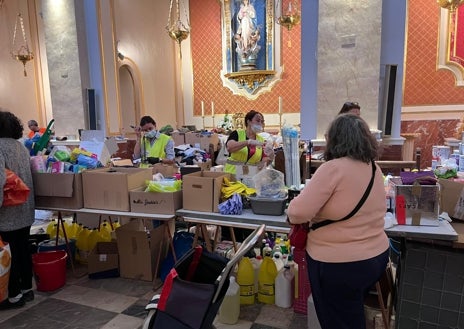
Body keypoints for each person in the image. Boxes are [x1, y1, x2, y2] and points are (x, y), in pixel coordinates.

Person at [287, 114, 389, 329]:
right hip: (375, 257)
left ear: (335, 139)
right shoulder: (373, 168)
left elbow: (297, 213)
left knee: (338, 321)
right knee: (350, 315)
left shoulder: (333, 168)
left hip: (339, 264)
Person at [0, 110, 35, 310]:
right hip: (25, 210)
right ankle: (26, 288)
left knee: (7, 254)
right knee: (23, 249)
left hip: (7, 213)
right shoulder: (21, 147)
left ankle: (13, 296)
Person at [224, 110, 273, 177]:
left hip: (251, 177)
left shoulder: (261, 140)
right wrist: (248, 142)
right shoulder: (237, 134)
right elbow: (230, 148)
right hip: (232, 175)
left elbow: (265, 158)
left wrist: (268, 157)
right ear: (249, 121)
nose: (260, 124)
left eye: (262, 122)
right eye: (258, 120)